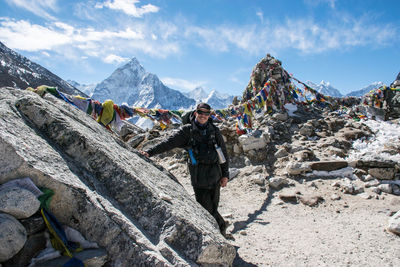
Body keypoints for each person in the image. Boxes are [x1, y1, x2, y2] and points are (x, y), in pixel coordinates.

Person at [140, 103, 231, 238]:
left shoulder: (214, 130)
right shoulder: (186, 131)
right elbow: (168, 143)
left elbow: (223, 153)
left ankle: (219, 231)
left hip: (215, 175)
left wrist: (225, 175)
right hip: (198, 177)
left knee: (213, 207)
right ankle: (220, 230)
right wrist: (149, 152)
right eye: (201, 112)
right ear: (195, 113)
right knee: (206, 209)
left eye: (207, 113)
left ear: (209, 115)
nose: (203, 116)